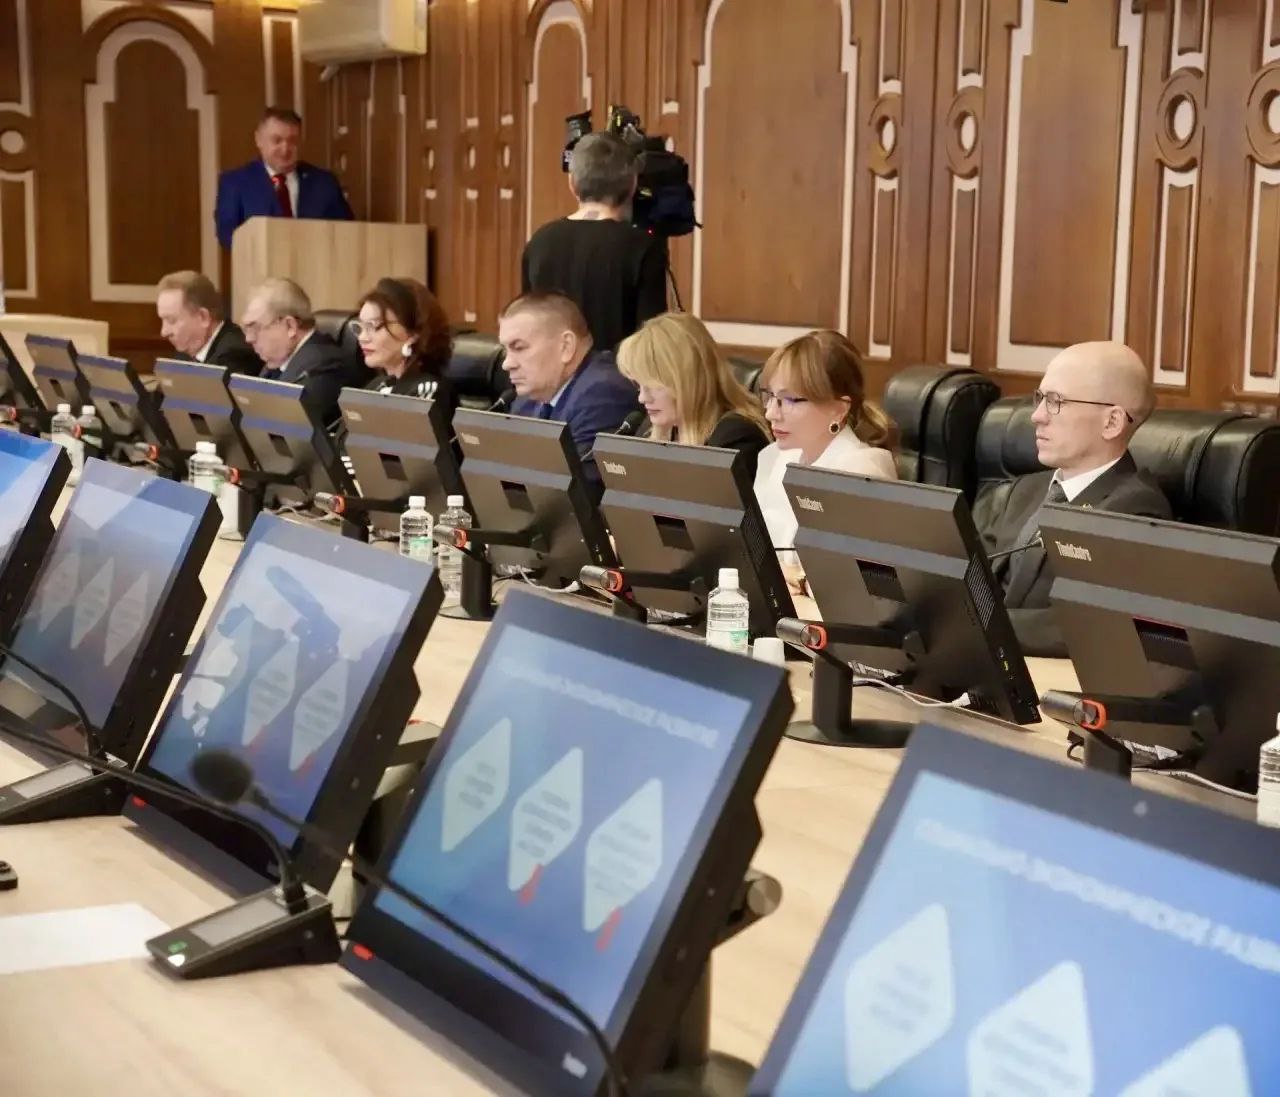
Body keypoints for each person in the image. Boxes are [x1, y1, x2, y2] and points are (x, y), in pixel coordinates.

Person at [979, 341, 1171, 658]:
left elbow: (1090, 624)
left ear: (1112, 422)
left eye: (1056, 401)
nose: (1036, 416)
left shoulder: (1135, 511)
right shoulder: (1024, 490)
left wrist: (981, 624)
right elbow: (974, 575)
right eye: (1040, 398)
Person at [753, 330, 898, 588]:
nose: (771, 413)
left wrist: (791, 576)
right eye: (770, 397)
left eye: (789, 400)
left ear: (838, 409)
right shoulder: (775, 457)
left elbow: (855, 585)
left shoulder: (861, 474)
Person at [521, 132, 667, 352]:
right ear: (633, 184)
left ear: (572, 182)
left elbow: (526, 324)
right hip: (617, 372)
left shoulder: (539, 242)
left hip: (551, 372)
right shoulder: (642, 246)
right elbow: (651, 340)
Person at [498, 291, 642, 493]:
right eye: (506, 350)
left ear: (566, 346)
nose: (506, 364)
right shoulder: (526, 398)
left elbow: (569, 494)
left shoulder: (604, 395)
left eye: (519, 347)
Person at [616, 312, 770, 476]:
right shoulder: (651, 427)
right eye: (640, 386)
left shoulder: (735, 439)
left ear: (689, 380)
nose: (642, 398)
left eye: (654, 386)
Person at [214, 107, 353, 250]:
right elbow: (227, 236)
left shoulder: (324, 183)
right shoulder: (235, 183)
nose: (285, 149)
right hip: (260, 262)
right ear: (258, 140)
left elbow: (346, 232)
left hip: (316, 262)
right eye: (277, 140)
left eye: (292, 141)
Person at [240, 277, 368, 426]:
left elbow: (284, 425)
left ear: (290, 326)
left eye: (256, 328)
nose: (249, 338)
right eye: (247, 329)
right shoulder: (277, 363)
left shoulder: (324, 367)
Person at [156, 271, 262, 375]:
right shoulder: (186, 351)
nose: (164, 332)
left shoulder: (234, 355)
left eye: (172, 320)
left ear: (203, 317)